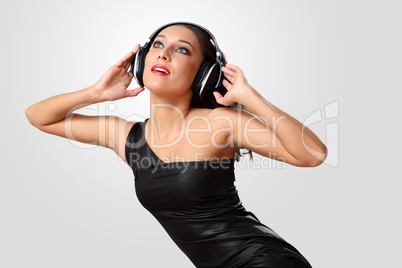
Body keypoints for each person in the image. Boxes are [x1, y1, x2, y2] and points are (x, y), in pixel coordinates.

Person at [26, 22, 327, 268]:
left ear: (205, 75)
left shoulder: (220, 124)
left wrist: (250, 97)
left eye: (182, 50)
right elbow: (39, 117)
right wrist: (95, 93)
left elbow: (312, 154)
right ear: (142, 61)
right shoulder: (127, 138)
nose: (164, 54)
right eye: (158, 45)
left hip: (262, 260)